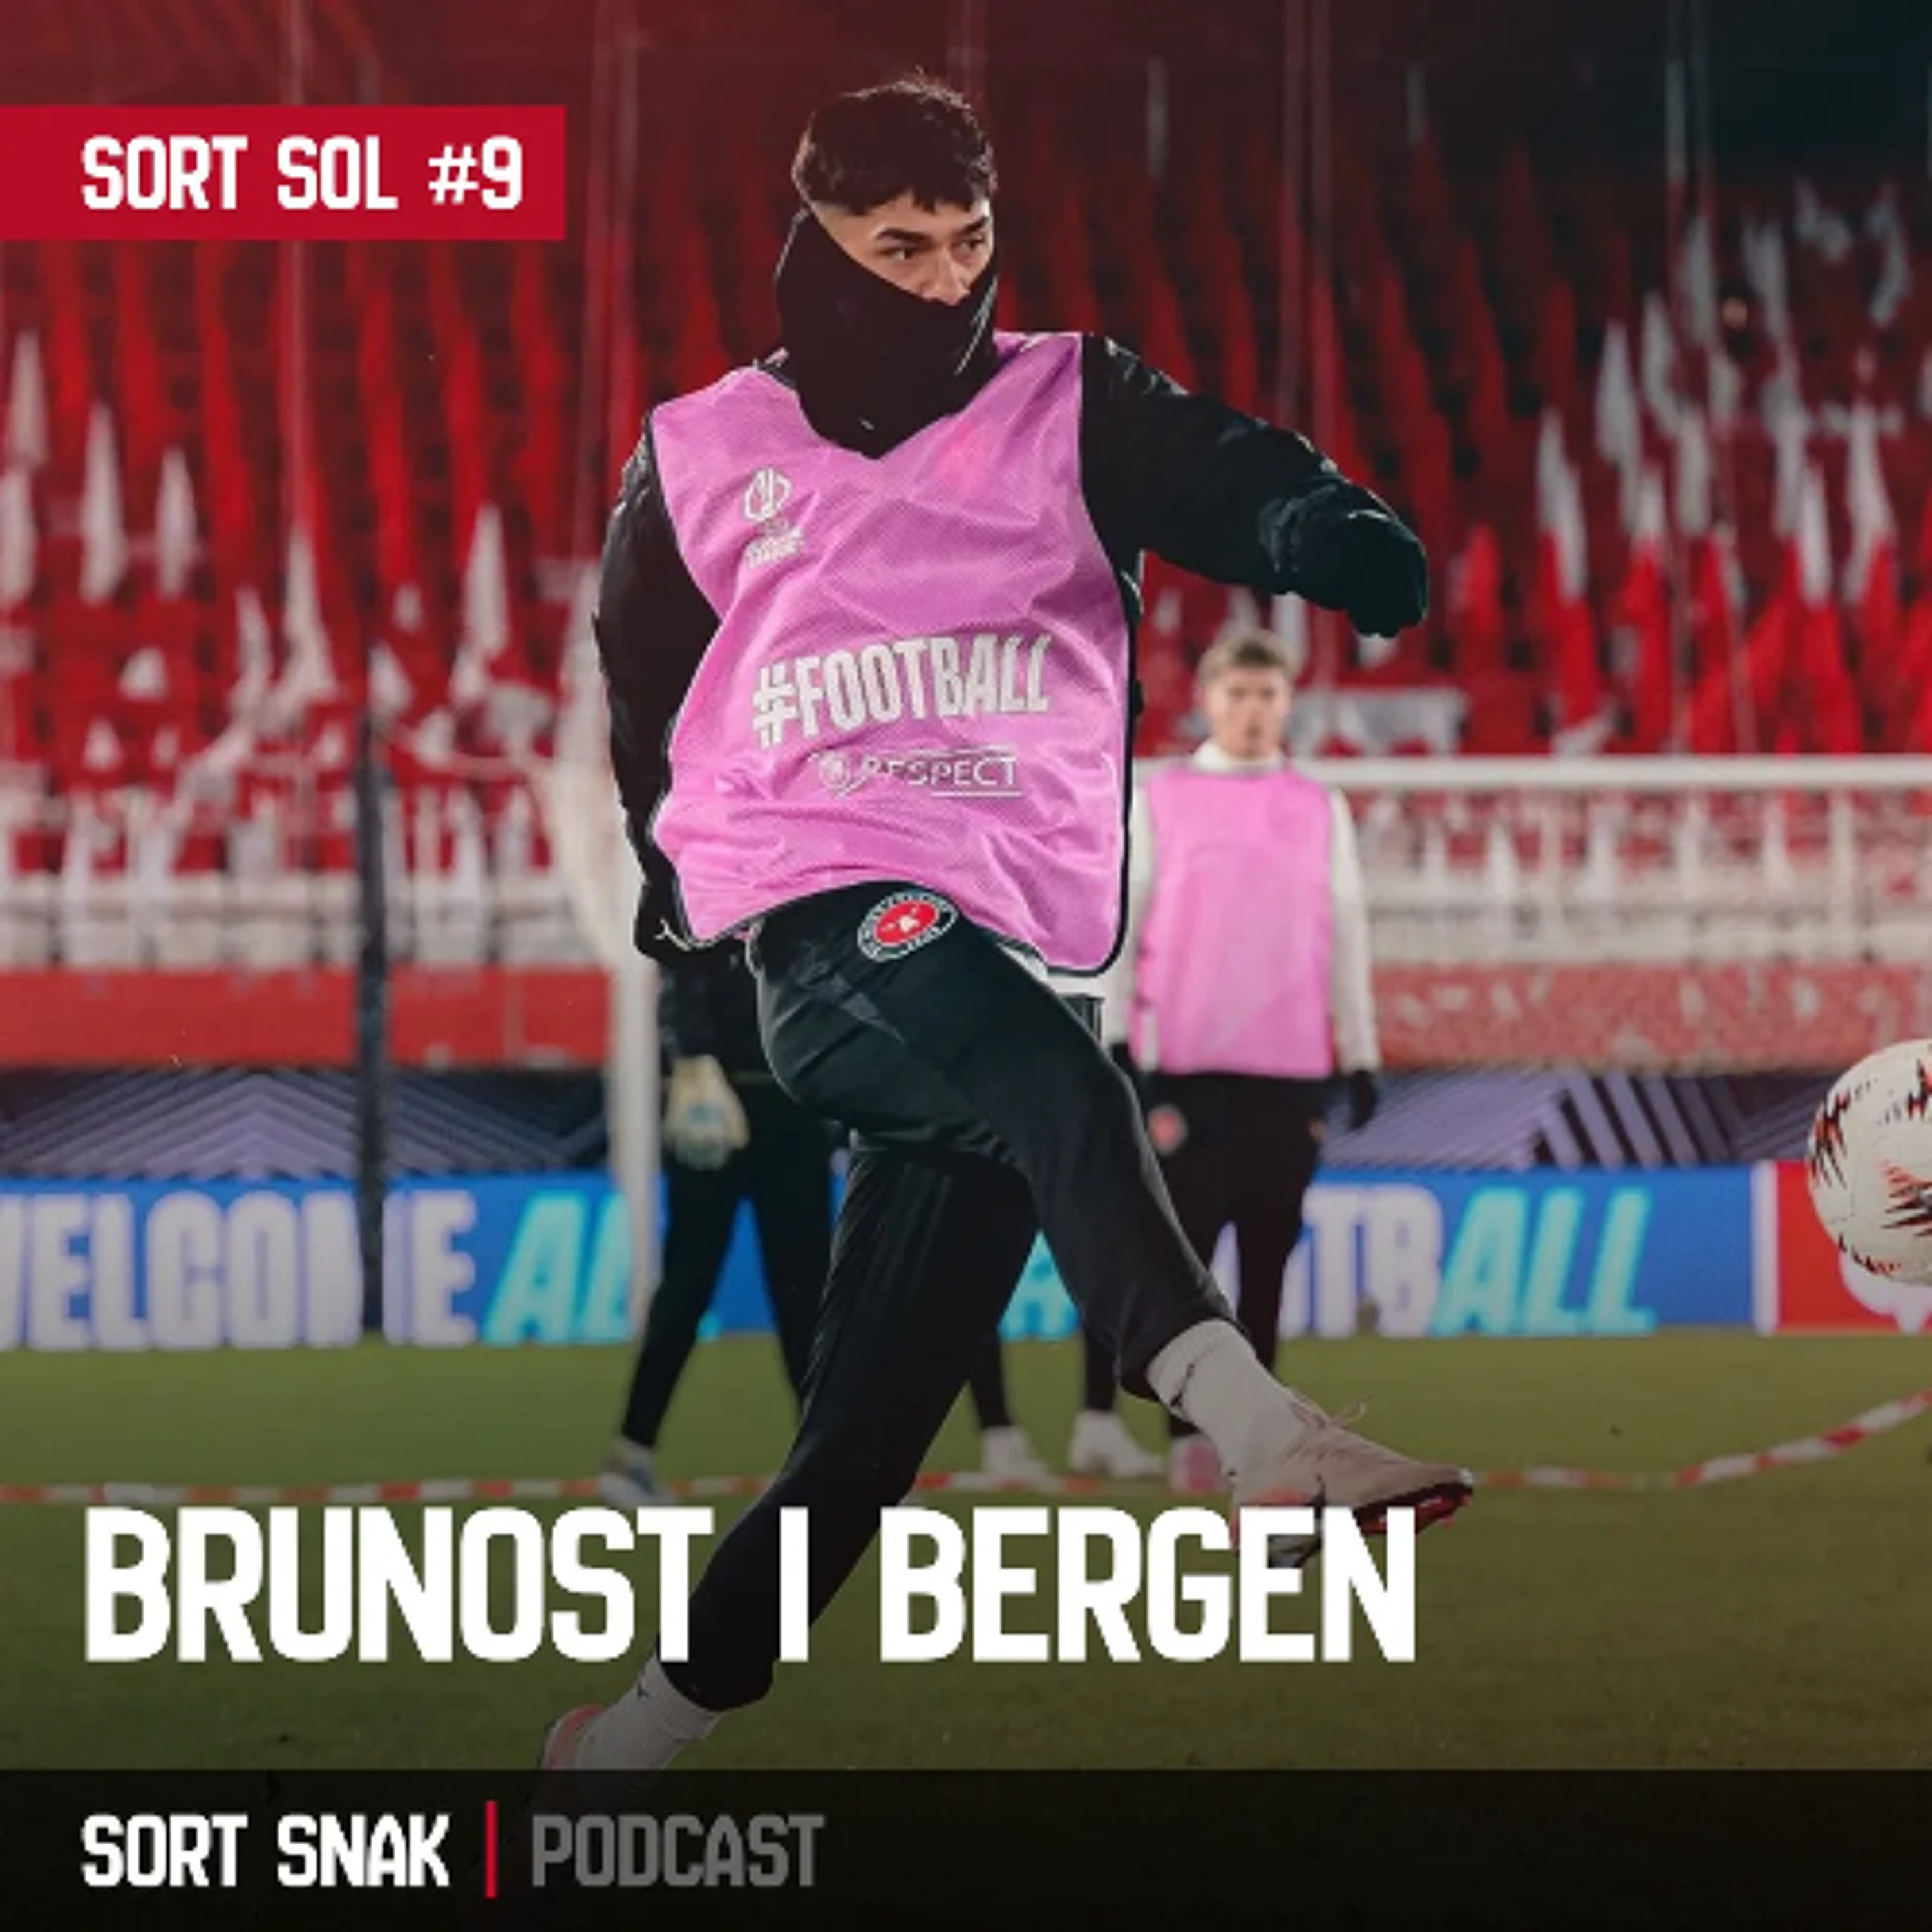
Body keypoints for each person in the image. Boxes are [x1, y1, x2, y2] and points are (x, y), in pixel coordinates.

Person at [546, 74, 1470, 1774]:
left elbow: (1219, 472)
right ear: (820, 240)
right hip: (831, 921)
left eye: (967, 241)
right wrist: (677, 898)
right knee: (1068, 1083)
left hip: (997, 947)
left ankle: (625, 1747)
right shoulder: (702, 451)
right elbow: (639, 688)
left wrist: (1320, 528)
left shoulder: (1068, 399)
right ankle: (1268, 1438)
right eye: (899, 247)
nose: (942, 279)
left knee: (858, 1461)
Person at [1079, 626, 1383, 1494]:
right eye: (1238, 693)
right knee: (1185, 1257)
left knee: (1269, 1260)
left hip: (1289, 1068)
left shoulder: (1318, 807)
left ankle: (1262, 1439)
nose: (1253, 710)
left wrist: (1360, 1050)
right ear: (1208, 700)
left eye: (1268, 695)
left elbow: (1346, 931)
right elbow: (1125, 919)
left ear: (1288, 704)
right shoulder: (1162, 798)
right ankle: (1189, 1436)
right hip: (1187, 1066)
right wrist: (1118, 1039)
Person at [596, 942, 832, 1508]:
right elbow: (679, 976)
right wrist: (693, 1062)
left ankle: (835, 1464)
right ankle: (632, 1452)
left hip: (788, 1102)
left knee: (807, 1296)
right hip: (717, 1097)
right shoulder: (712, 896)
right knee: (692, 1282)